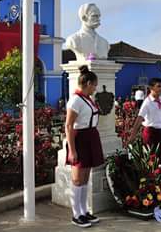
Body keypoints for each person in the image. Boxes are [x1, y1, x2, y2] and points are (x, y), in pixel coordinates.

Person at [65, 65, 103, 227]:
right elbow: (68, 125)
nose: (95, 87)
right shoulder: (75, 100)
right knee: (77, 178)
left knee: (86, 176)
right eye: (94, 84)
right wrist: (72, 150)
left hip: (91, 137)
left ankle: (84, 210)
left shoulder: (87, 99)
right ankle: (76, 214)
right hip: (79, 138)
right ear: (88, 83)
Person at [128, 78, 161, 159]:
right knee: (150, 159)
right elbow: (139, 119)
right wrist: (132, 136)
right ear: (151, 88)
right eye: (158, 86)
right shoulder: (147, 102)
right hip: (150, 133)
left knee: (160, 158)